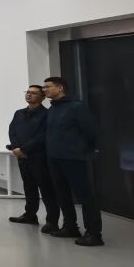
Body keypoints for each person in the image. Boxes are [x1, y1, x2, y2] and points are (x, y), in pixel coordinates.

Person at [43, 76, 104, 246]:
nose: (45, 90)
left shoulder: (76, 107)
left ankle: (94, 233)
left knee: (85, 196)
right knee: (62, 194)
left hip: (73, 158)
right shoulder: (53, 109)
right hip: (54, 157)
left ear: (60, 88)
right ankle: (70, 227)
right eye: (44, 87)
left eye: (48, 86)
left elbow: (91, 131)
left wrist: (86, 150)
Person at [7, 85, 58, 231]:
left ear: (42, 97)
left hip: (39, 156)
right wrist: (16, 148)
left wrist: (24, 149)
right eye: (28, 92)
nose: (29, 95)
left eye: (33, 93)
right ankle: (30, 215)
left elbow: (43, 135)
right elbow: (12, 131)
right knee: (29, 187)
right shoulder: (19, 113)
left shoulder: (47, 114)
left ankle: (52, 221)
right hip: (22, 156)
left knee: (46, 189)